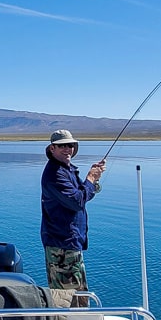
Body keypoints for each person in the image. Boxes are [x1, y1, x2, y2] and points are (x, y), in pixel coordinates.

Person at [40, 130, 105, 307]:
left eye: (70, 145)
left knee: (78, 295)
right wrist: (90, 178)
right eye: (62, 145)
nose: (67, 149)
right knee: (67, 299)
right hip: (62, 246)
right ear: (52, 148)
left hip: (69, 243)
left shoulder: (66, 170)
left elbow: (80, 195)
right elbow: (77, 202)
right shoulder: (55, 174)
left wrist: (93, 182)